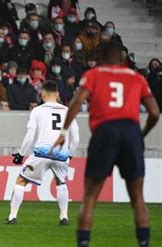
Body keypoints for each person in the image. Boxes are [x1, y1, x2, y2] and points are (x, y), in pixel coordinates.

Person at [52, 41, 160, 247]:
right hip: (130, 132)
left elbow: (76, 102)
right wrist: (141, 134)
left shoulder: (93, 75)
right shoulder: (137, 77)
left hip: (105, 132)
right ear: (123, 58)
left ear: (101, 57)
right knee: (137, 198)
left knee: (90, 197)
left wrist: (64, 131)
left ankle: (83, 243)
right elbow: (154, 112)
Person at [6, 81, 79, 225]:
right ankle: (64, 217)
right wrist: (69, 155)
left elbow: (30, 135)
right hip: (61, 154)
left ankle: (12, 216)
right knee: (61, 182)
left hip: (42, 153)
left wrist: (21, 154)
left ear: (42, 94)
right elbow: (75, 138)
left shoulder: (38, 110)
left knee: (21, 181)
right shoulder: (68, 110)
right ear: (57, 94)